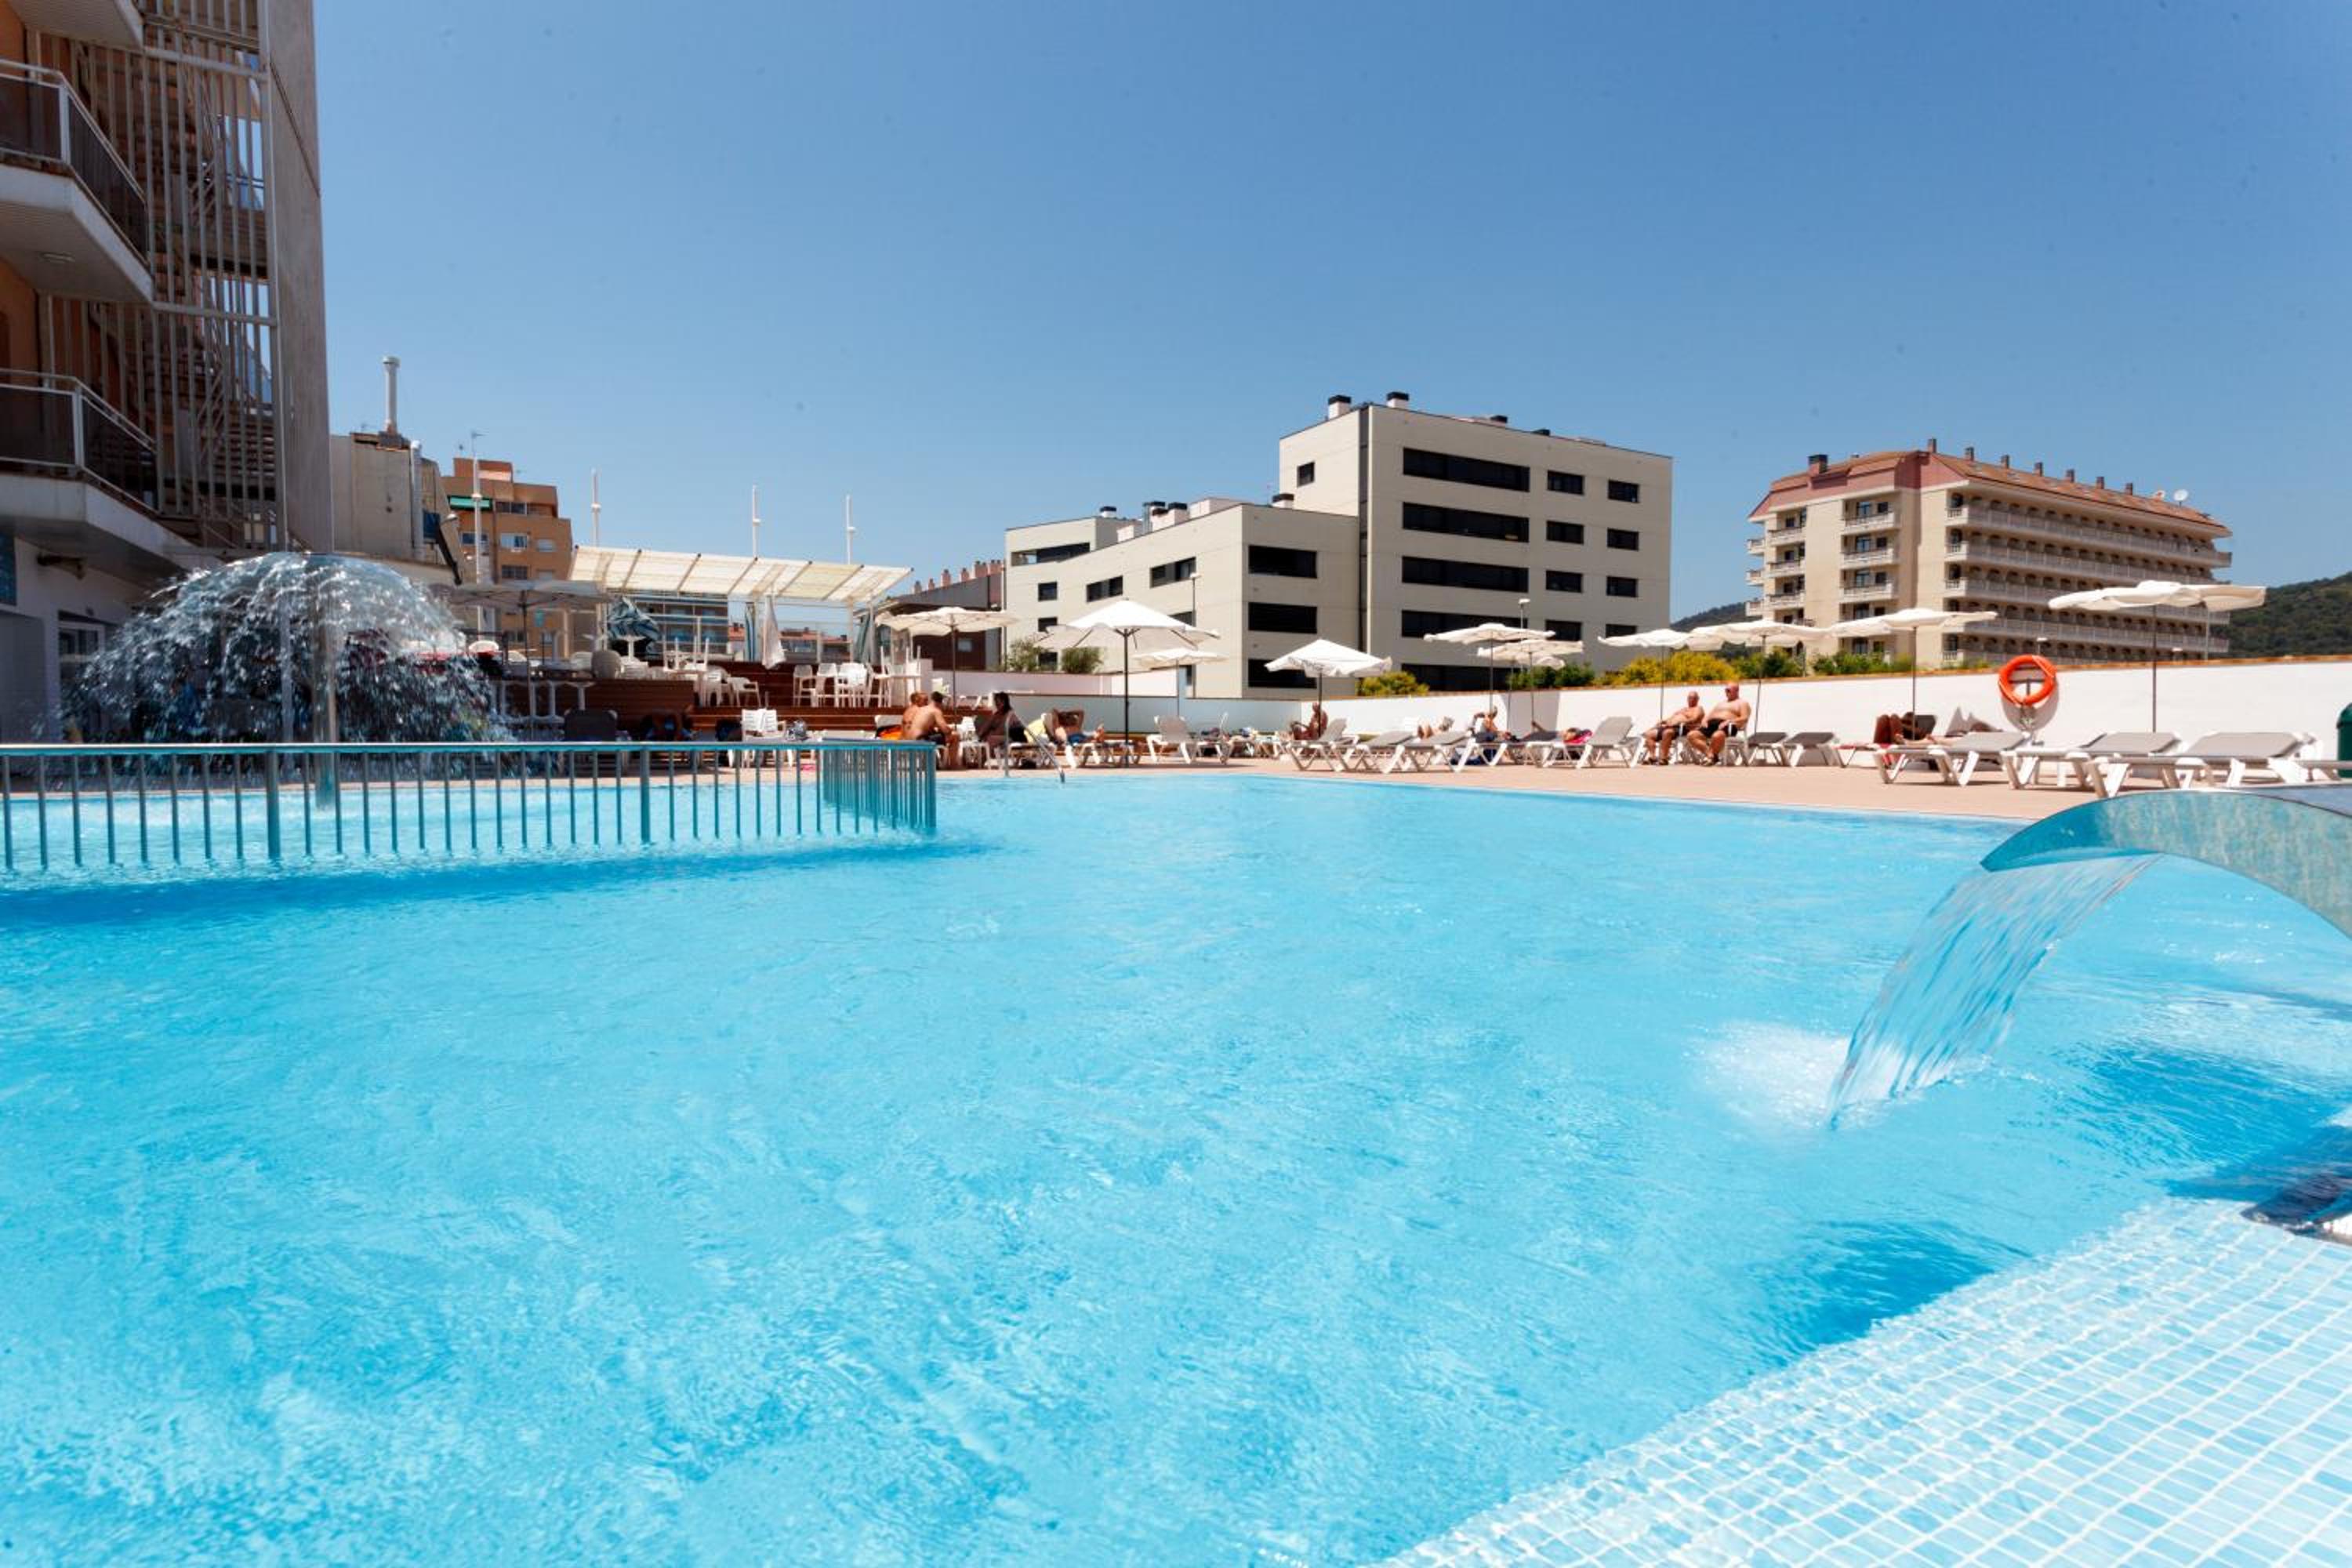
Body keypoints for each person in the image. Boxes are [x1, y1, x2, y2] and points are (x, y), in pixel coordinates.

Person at [1693, 683, 1753, 764]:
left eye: (1728, 690)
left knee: (1717, 736)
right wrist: (1704, 720)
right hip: (1712, 724)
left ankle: (1711, 757)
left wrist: (1730, 721)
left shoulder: (1742, 703)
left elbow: (1745, 718)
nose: (1726, 692)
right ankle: (1710, 755)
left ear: (1736, 691)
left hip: (1728, 725)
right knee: (1692, 735)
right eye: (1725, 690)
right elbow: (1709, 715)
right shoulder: (1721, 703)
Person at [1643, 691, 1705, 764]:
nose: (1691, 700)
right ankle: (1652, 757)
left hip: (1683, 728)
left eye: (1693, 698)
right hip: (1670, 726)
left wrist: (1680, 721)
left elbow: (1694, 719)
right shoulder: (1683, 709)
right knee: (1649, 734)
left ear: (1698, 699)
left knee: (1667, 733)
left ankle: (1663, 758)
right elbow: (1672, 717)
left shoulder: (1698, 709)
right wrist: (1664, 721)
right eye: (1689, 698)